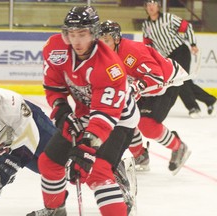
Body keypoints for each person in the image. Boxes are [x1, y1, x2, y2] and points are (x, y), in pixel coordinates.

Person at [27, 6, 141, 216]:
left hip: (118, 118)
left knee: (97, 172)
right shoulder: (56, 48)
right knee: (48, 162)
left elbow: (106, 113)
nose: (77, 41)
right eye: (72, 34)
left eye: (83, 34)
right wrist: (61, 110)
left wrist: (86, 149)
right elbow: (54, 85)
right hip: (85, 114)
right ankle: (55, 210)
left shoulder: (110, 66)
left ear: (94, 33)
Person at [99, 20, 191, 175]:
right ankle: (140, 155)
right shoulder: (105, 55)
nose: (102, 45)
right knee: (125, 116)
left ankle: (178, 147)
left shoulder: (131, 52)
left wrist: (136, 86)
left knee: (147, 125)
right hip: (143, 84)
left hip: (165, 83)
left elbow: (157, 77)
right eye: (99, 41)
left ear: (116, 39)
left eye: (106, 40)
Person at [142, 0, 216, 118]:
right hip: (168, 56)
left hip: (180, 51)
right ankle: (209, 100)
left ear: (158, 6)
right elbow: (148, 43)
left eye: (154, 4)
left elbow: (187, 27)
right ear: (145, 7)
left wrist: (193, 44)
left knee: (179, 80)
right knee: (184, 81)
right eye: (148, 5)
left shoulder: (168, 18)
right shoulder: (146, 25)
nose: (151, 7)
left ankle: (193, 107)